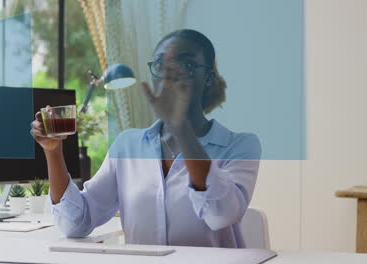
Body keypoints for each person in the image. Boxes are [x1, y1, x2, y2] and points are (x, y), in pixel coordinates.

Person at [30, 29, 261, 248]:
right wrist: (53, 151)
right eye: (161, 65)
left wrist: (181, 127)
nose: (172, 74)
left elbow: (220, 215)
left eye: (187, 64)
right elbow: (76, 222)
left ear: (208, 77)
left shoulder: (239, 146)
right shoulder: (127, 145)